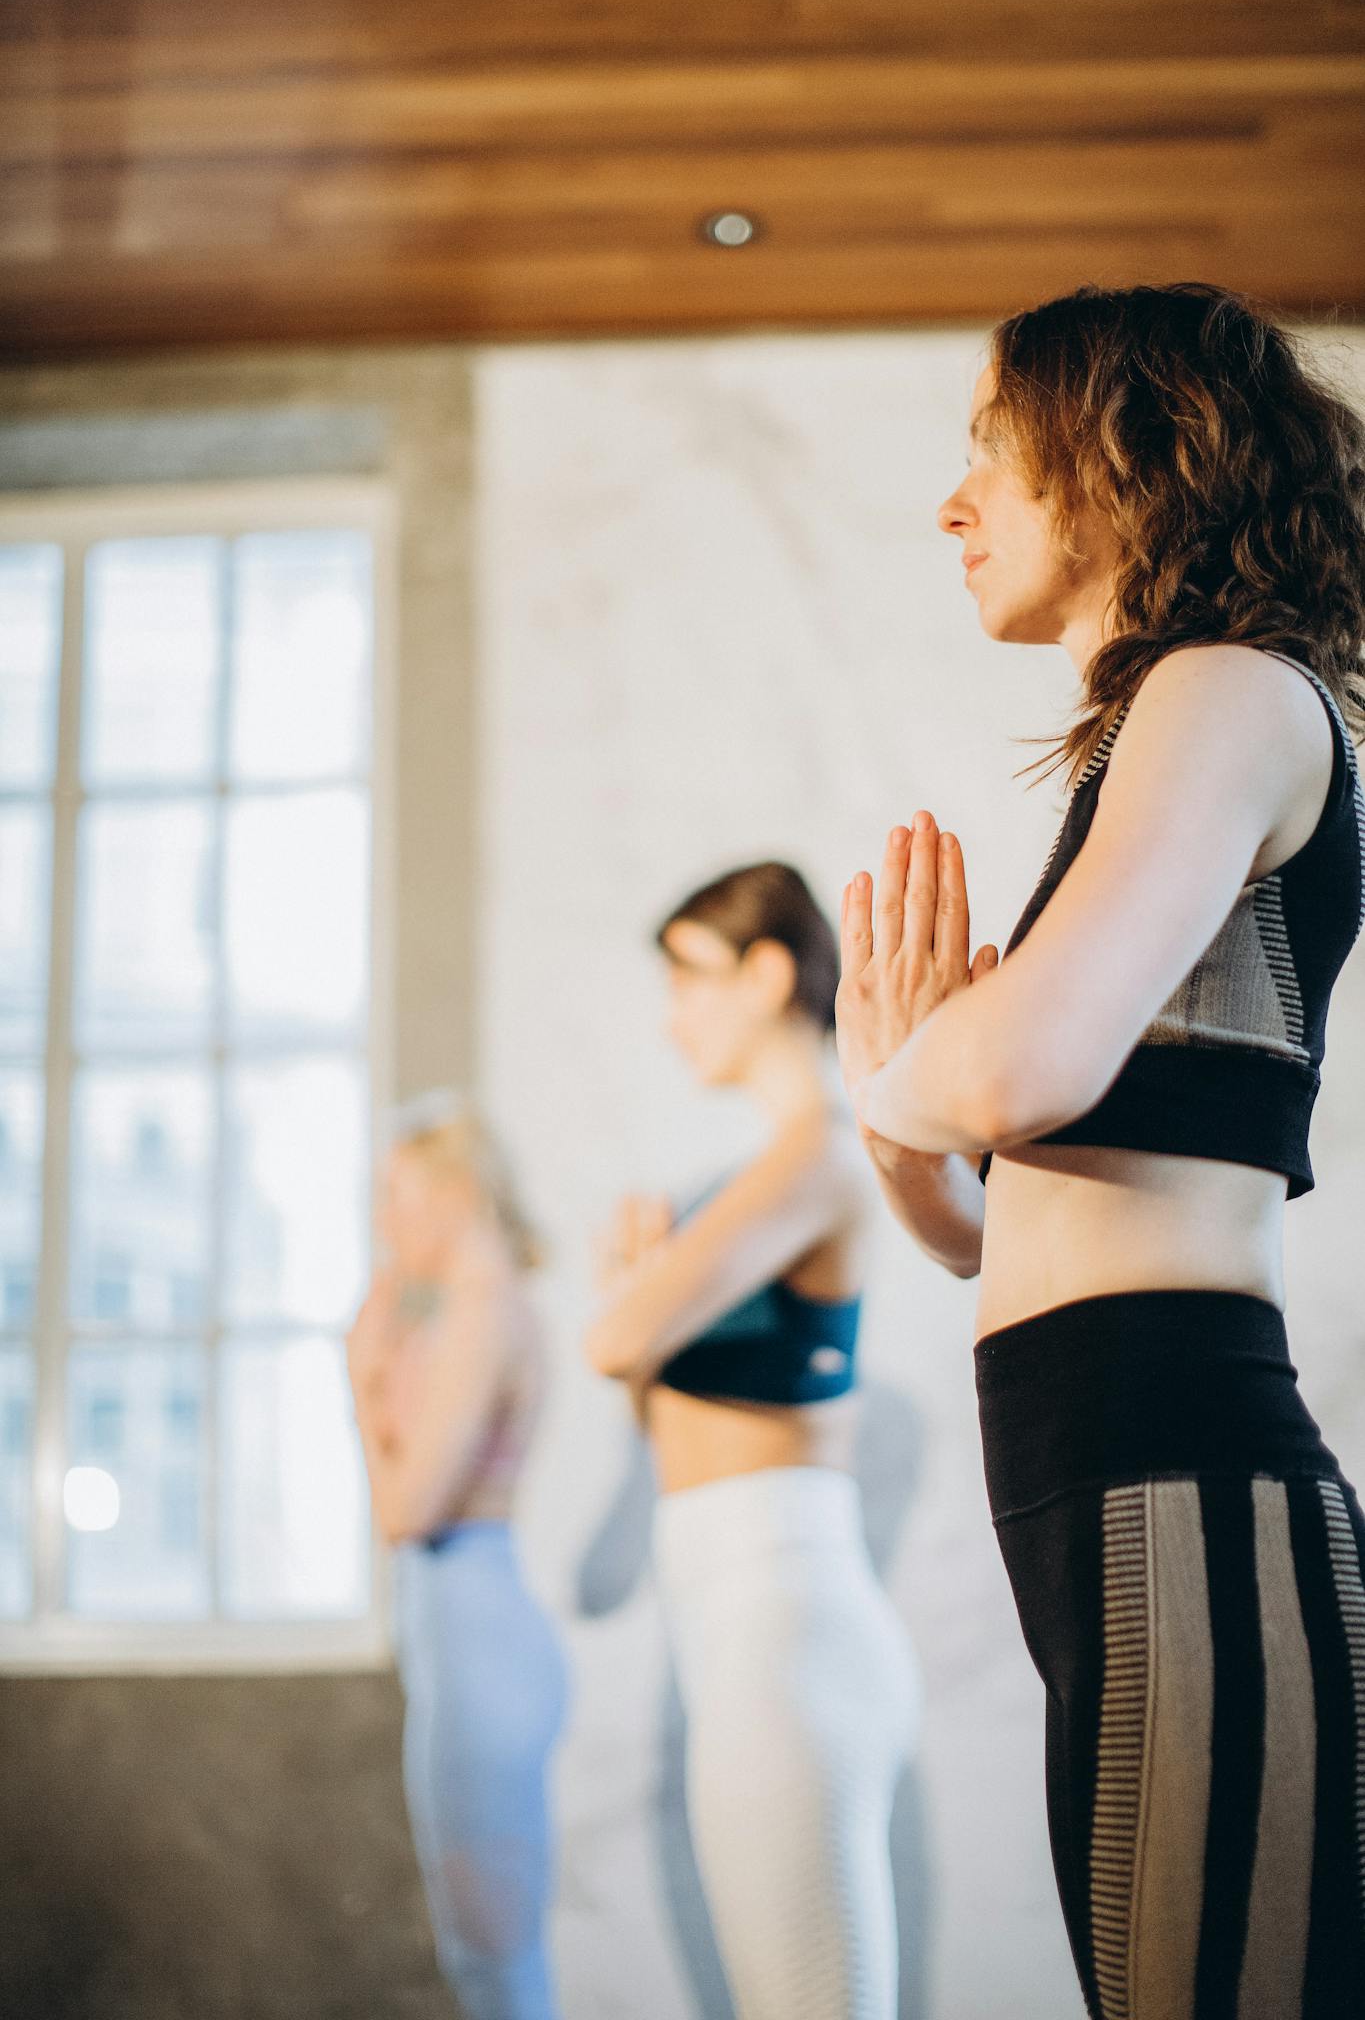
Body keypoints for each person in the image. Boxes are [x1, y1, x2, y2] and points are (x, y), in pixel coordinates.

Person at [836, 283, 1365, 2016]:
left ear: (1124, 455)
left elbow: (1025, 1064)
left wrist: (926, 1073)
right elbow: (980, 1218)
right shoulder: (1168, 730)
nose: (953, 500)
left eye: (990, 447)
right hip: (1103, 1464)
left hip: (1184, 1459)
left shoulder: (1230, 692)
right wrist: (906, 1088)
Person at [584, 861, 919, 2020]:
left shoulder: (815, 1153)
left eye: (689, 978)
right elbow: (654, 1399)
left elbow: (614, 1334)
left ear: (769, 971)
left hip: (788, 1631)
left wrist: (634, 1297)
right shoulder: (750, 1181)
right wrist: (636, 1314)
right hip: (740, 1619)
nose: (674, 1014)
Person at [346, 1090, 569, 2020]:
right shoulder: (465, 1311)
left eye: (396, 1193)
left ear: (453, 1191)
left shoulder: (482, 1311)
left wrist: (358, 1384)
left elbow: (407, 1509)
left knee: (493, 1958)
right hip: (459, 1625)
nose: (382, 1219)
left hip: (476, 1631)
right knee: (480, 1954)